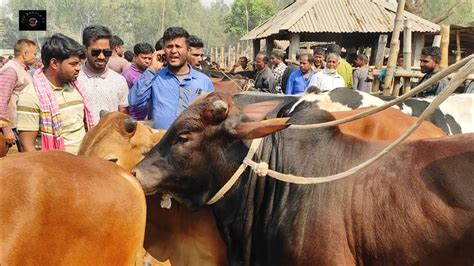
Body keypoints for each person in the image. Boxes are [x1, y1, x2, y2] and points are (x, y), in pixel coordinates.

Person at [16, 34, 94, 154]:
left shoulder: (77, 89)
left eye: (79, 64)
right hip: (53, 168)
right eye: (73, 64)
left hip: (83, 163)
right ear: (54, 63)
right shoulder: (31, 96)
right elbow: (27, 147)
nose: (78, 68)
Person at [128, 27, 214, 129]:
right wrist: (152, 68)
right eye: (169, 46)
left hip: (192, 143)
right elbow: (134, 102)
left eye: (178, 46)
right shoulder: (154, 78)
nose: (173, 51)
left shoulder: (204, 81)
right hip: (160, 141)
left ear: (188, 50)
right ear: (163, 50)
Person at [78, 25, 129, 125]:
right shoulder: (75, 79)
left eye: (106, 52)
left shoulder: (119, 80)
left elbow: (122, 113)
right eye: (96, 52)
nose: (101, 57)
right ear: (85, 50)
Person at [0, 39, 37, 150]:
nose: (36, 56)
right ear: (24, 54)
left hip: (20, 125)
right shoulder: (11, 70)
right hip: (12, 131)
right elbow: (1, 101)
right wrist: (6, 129)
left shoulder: (21, 69)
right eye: (34, 53)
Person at [121, 42, 154, 120]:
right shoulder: (127, 75)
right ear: (135, 56)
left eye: (149, 58)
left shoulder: (152, 73)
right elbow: (123, 103)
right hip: (135, 119)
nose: (147, 61)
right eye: (144, 58)